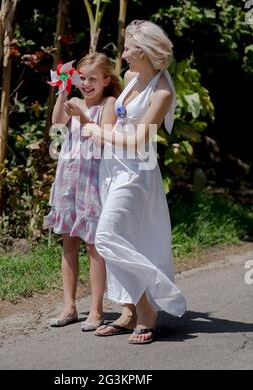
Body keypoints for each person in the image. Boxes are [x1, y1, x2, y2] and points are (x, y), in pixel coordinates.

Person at [81, 20, 187, 344]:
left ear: (144, 50)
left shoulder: (162, 91)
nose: (124, 54)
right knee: (127, 238)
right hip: (112, 168)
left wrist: (99, 132)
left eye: (128, 48)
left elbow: (140, 139)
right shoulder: (131, 77)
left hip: (136, 173)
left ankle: (147, 308)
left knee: (107, 236)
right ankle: (128, 311)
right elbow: (117, 120)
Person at [44, 52, 122, 331]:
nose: (86, 83)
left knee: (94, 244)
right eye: (82, 78)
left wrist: (85, 118)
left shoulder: (109, 103)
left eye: (92, 78)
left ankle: (97, 309)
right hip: (68, 177)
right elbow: (56, 125)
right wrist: (63, 93)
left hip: (93, 179)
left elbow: (106, 137)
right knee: (69, 241)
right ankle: (69, 306)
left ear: (106, 80)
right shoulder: (73, 101)